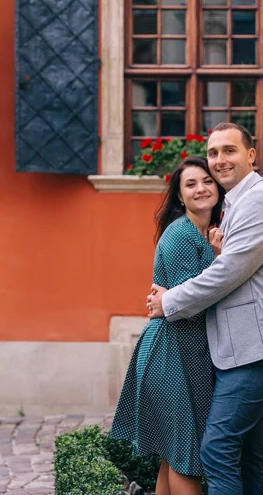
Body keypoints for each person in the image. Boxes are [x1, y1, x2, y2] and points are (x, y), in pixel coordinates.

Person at [148, 123, 263, 495]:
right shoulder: (235, 203)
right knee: (250, 454)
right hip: (240, 348)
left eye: (229, 150)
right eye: (214, 152)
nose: (219, 160)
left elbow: (226, 275)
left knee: (217, 450)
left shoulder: (260, 201)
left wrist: (168, 301)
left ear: (251, 155)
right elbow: (236, 267)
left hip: (255, 346)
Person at [110, 156, 225, 495]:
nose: (201, 189)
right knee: (186, 456)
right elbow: (187, 307)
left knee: (174, 455)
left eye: (206, 181)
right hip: (170, 354)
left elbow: (191, 294)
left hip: (188, 354)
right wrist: (217, 267)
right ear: (179, 196)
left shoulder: (208, 233)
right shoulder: (180, 235)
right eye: (191, 184)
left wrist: (217, 261)